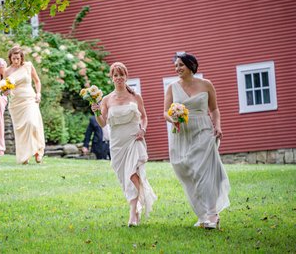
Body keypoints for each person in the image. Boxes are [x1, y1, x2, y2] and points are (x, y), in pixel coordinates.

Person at [164, 52, 230, 229]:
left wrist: (218, 126)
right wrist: (173, 118)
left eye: (181, 65)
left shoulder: (206, 84)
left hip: (203, 130)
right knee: (185, 171)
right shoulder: (171, 87)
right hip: (181, 133)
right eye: (176, 66)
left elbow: (214, 109)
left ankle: (212, 215)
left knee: (203, 171)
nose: (177, 68)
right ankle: (202, 214)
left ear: (191, 65)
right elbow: (165, 112)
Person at [91, 62, 157, 227]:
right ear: (111, 78)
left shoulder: (135, 96)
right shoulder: (106, 99)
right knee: (125, 177)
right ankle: (138, 203)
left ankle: (133, 213)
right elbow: (102, 123)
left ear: (126, 77)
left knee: (132, 174)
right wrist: (97, 111)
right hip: (117, 143)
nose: (119, 78)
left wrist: (143, 129)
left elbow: (144, 116)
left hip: (134, 138)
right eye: (116, 75)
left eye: (121, 75)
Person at [3, 46, 45, 164]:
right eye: (13, 59)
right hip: (15, 103)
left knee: (32, 123)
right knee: (21, 130)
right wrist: (6, 91)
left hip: (29, 99)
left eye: (18, 58)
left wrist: (38, 93)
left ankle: (38, 150)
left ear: (22, 58)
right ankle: (25, 156)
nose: (16, 61)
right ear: (10, 58)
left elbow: (37, 81)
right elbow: (5, 89)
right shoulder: (7, 71)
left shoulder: (28, 66)